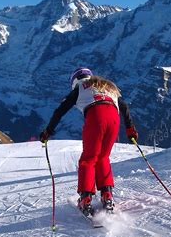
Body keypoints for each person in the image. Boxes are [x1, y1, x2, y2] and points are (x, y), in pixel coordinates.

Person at [40, 67, 138, 216]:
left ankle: (85, 199)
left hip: (96, 116)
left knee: (88, 159)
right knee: (103, 157)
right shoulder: (107, 85)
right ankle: (107, 196)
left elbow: (60, 110)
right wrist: (130, 129)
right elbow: (124, 107)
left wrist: (48, 131)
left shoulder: (80, 88)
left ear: (75, 81)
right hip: (114, 118)